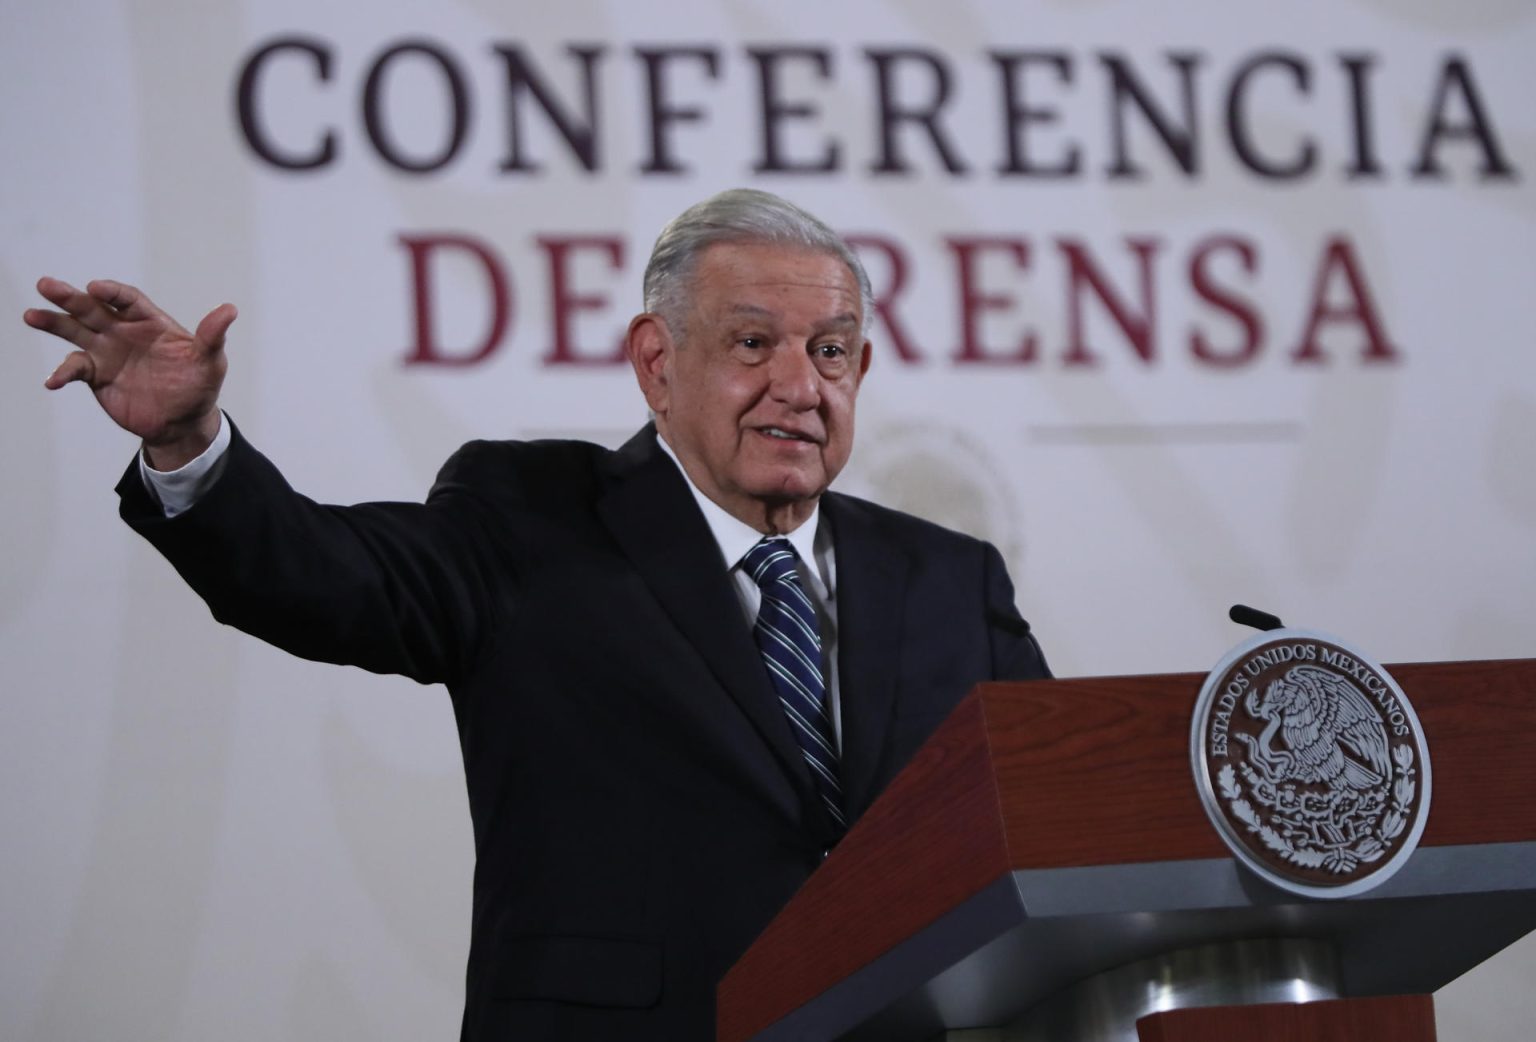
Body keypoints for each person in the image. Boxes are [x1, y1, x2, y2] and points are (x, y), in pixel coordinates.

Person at [23, 189, 1049, 1041]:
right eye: (753, 343)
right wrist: (192, 442)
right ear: (657, 361)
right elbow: (324, 574)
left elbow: (1060, 820)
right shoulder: (532, 517)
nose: (799, 385)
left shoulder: (948, 577)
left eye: (831, 351)